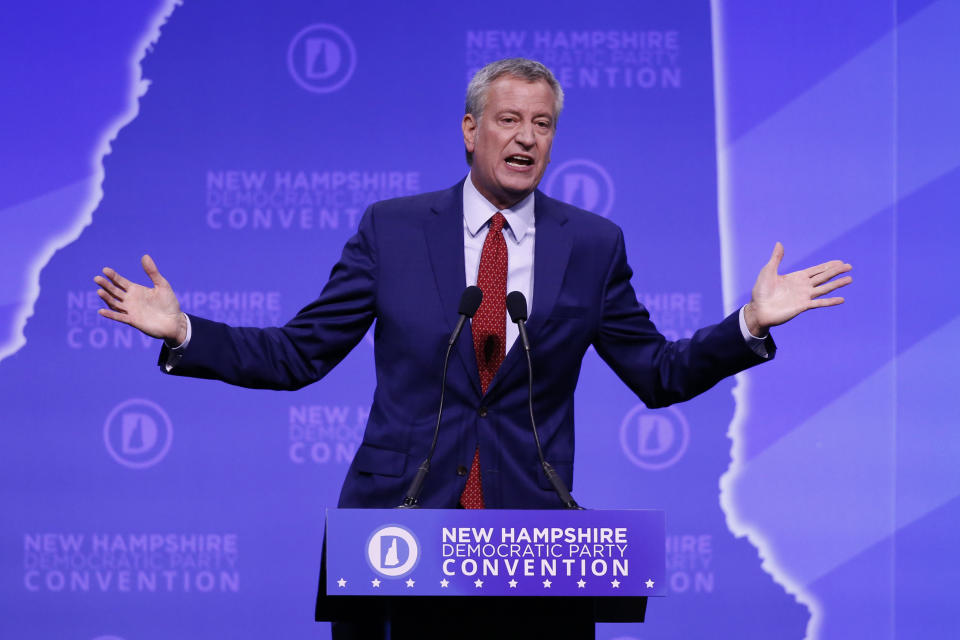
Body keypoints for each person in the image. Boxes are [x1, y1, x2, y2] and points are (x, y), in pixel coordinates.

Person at [94, 58, 851, 638]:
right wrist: (187, 330)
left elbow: (657, 373)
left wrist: (748, 323)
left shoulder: (590, 244)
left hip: (531, 548)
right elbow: (300, 353)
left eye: (544, 124)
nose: (527, 137)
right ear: (470, 129)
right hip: (398, 535)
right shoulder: (392, 230)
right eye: (510, 119)